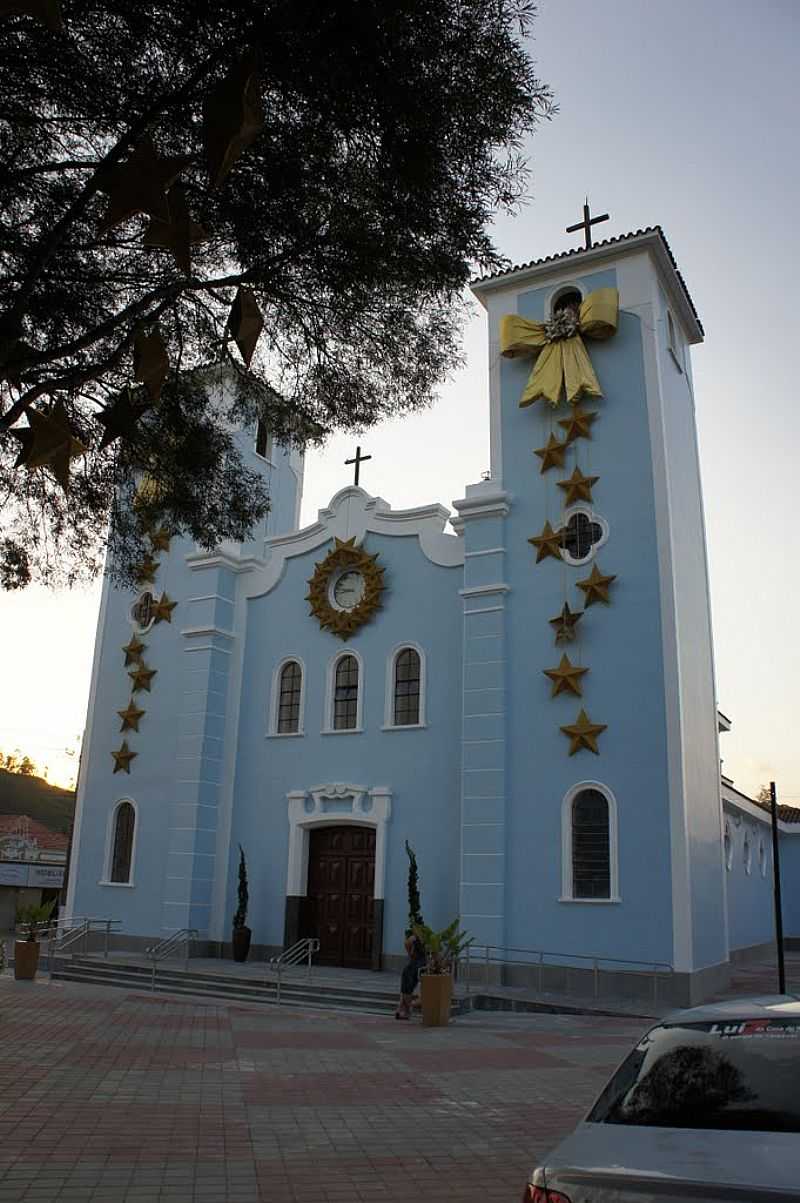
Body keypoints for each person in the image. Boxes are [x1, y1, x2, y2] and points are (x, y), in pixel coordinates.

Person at [396, 930, 426, 1020]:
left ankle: (405, 1009)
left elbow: (408, 948)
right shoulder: (418, 940)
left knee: (406, 989)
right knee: (406, 989)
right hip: (417, 966)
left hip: (415, 967)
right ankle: (404, 1009)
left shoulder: (413, 940)